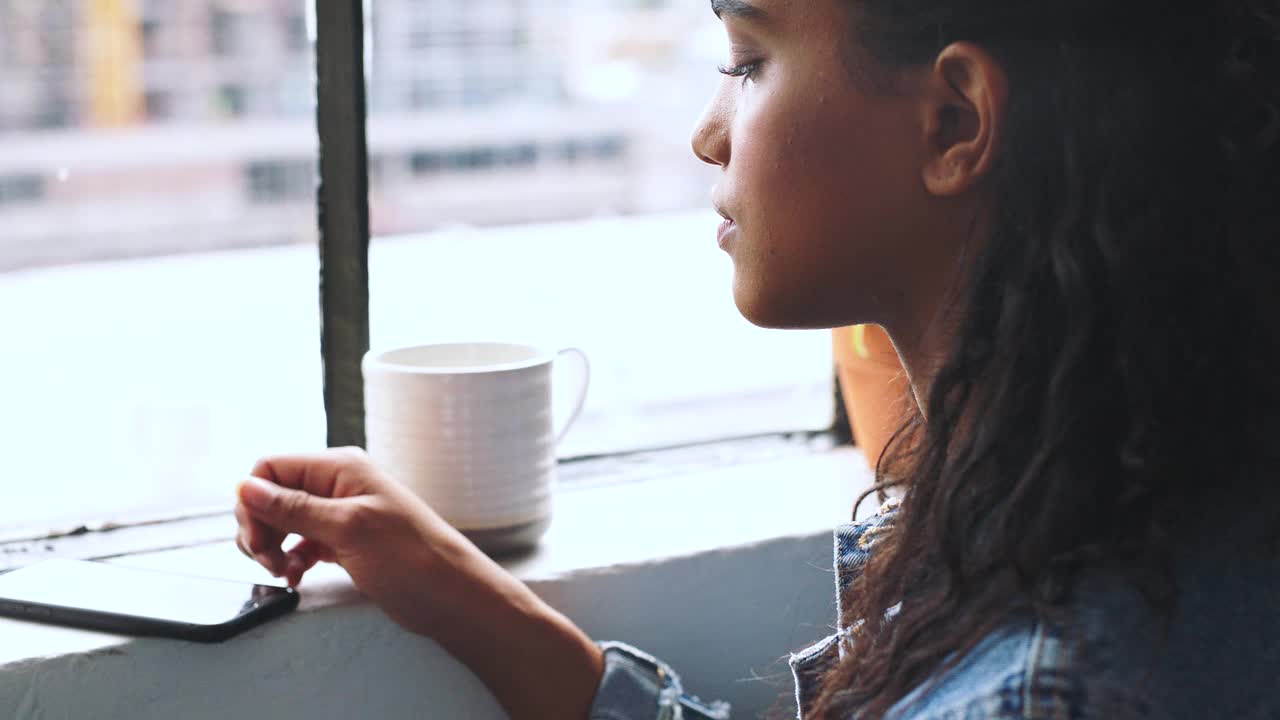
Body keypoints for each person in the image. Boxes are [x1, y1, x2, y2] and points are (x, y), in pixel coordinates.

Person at [235, 0, 1280, 717]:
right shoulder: (1139, 505)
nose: (705, 133)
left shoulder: (1039, 685)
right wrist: (451, 586)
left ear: (954, 120)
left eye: (746, 62)